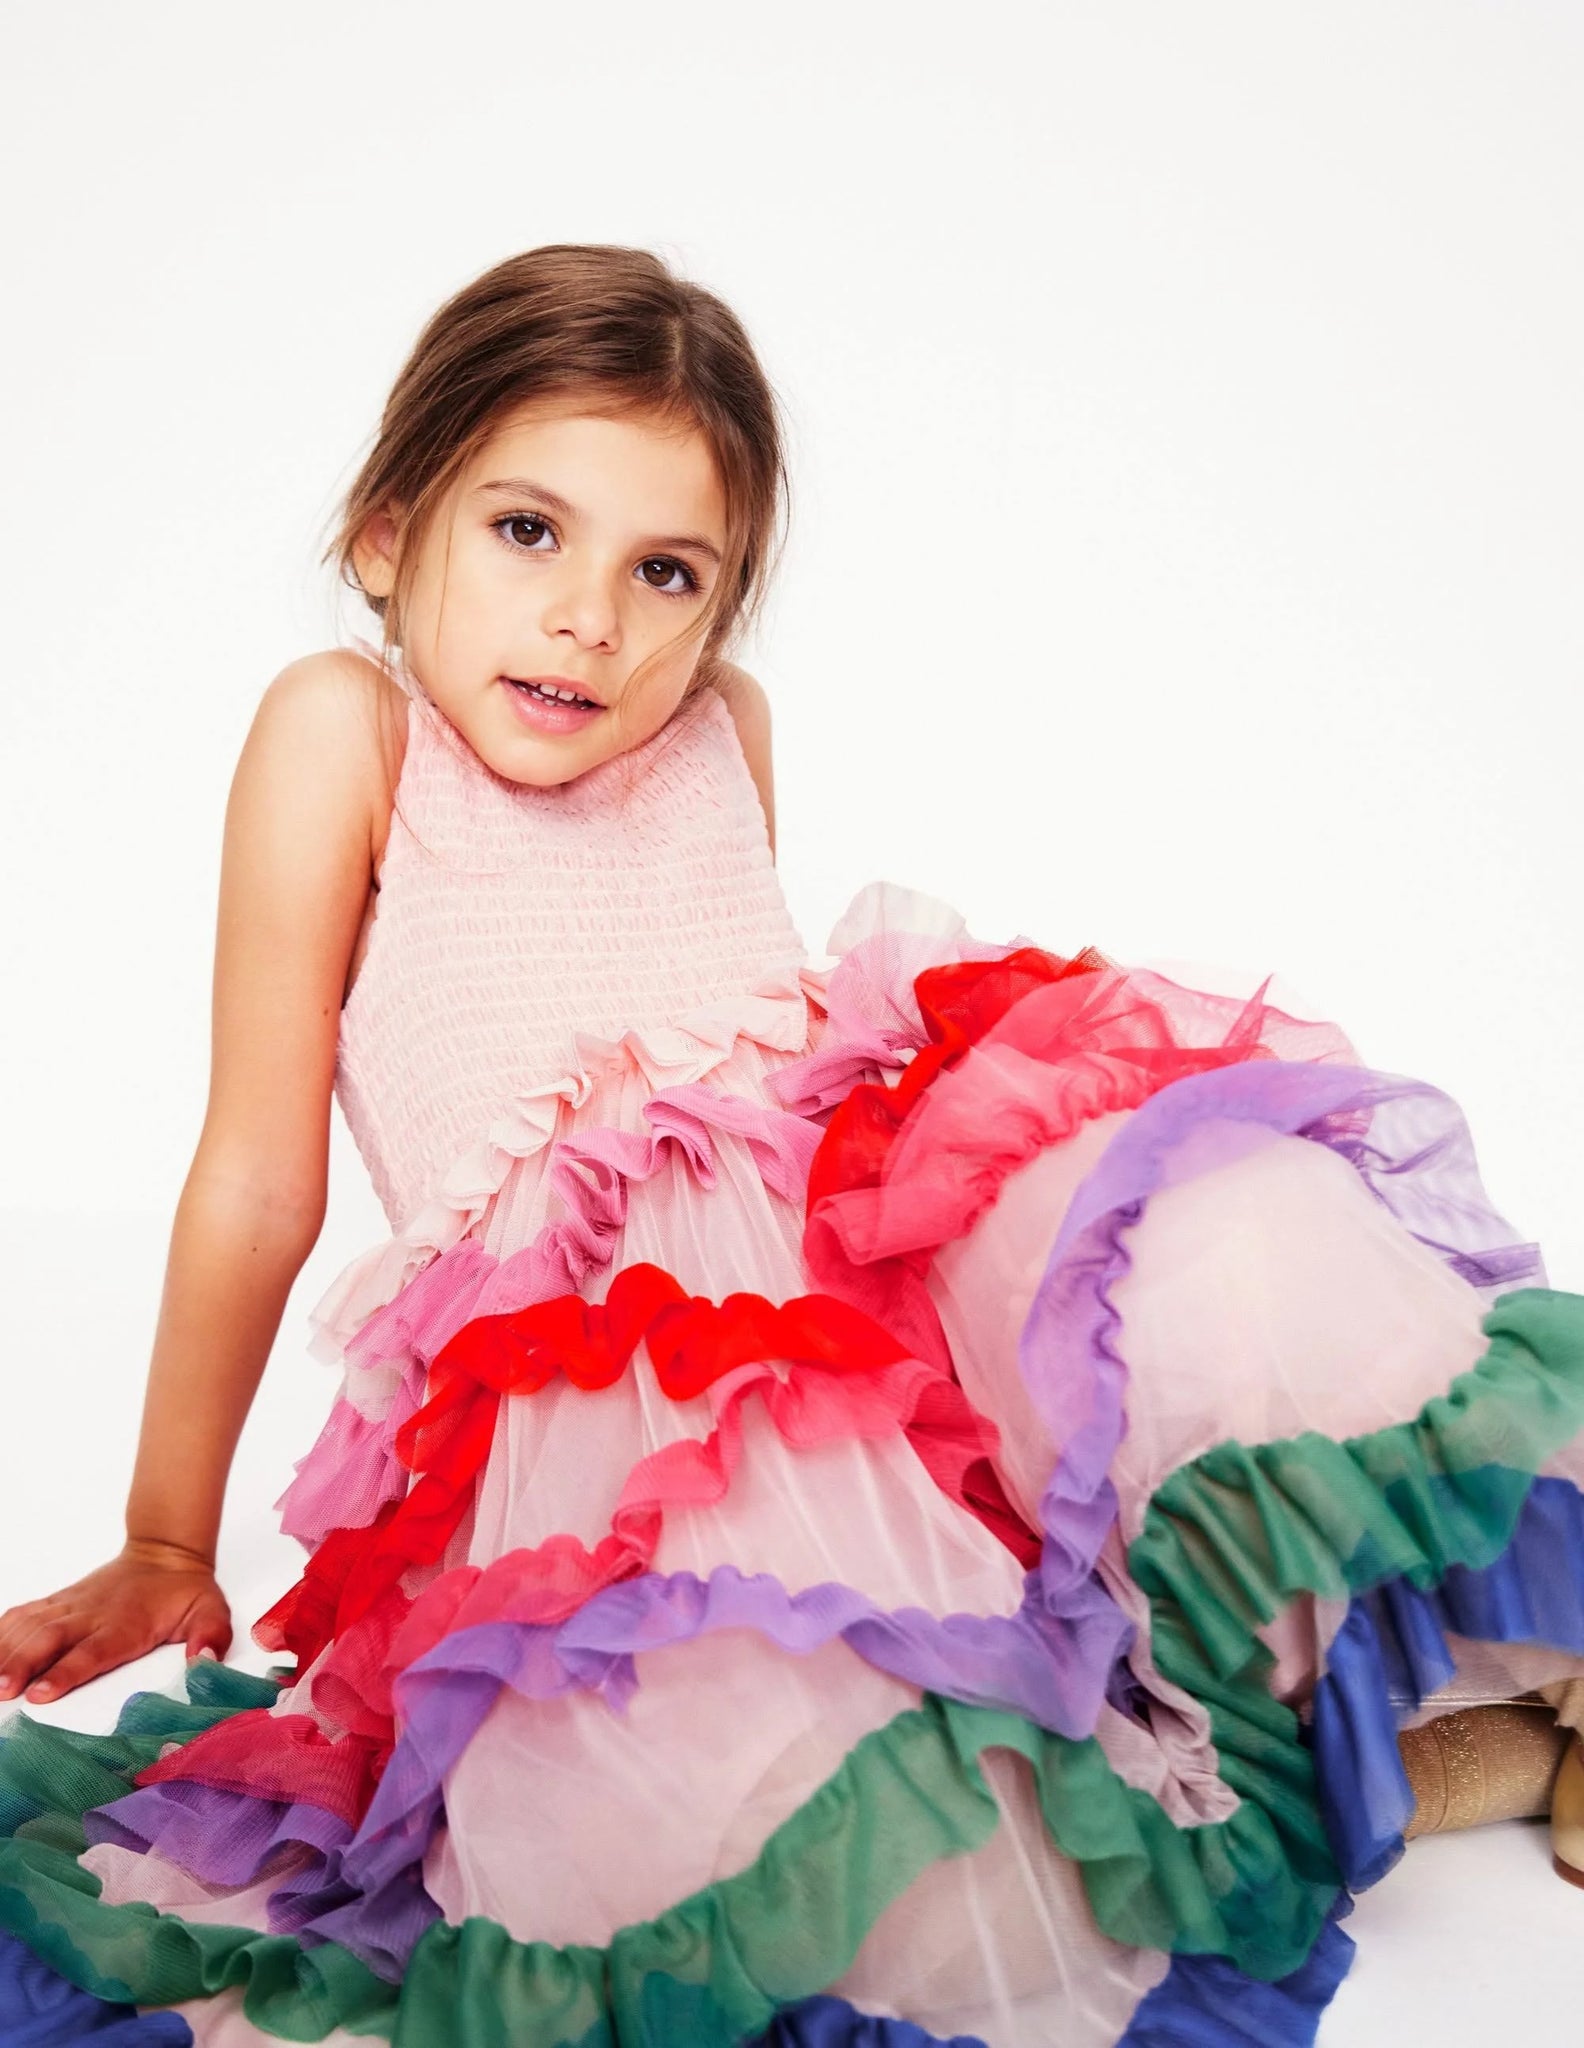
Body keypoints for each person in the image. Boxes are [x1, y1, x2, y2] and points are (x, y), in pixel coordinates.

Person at [1, 242, 1581, 2048]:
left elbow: (768, 1081)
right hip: (606, 1376)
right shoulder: (346, 730)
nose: (590, 619)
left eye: (665, 572)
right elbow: (257, 1170)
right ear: (385, 534)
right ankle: (1393, 1766)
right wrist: (162, 1531)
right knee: (812, 1798)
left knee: (1229, 1242)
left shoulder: (723, 728)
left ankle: (1519, 1681)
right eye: (527, 532)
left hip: (852, 1275)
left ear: (722, 611)